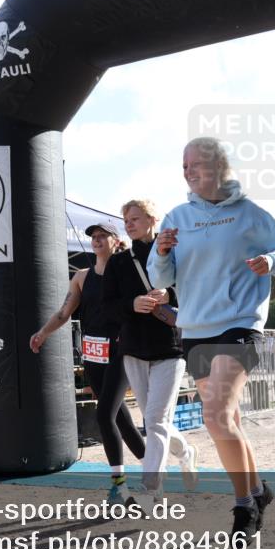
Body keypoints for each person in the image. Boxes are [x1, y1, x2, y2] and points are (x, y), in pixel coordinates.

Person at [149, 136, 275, 541]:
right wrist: (162, 253)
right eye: (183, 166)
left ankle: (243, 506)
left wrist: (271, 260)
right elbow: (160, 279)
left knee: (216, 416)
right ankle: (258, 490)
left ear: (219, 167)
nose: (188, 171)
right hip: (195, 329)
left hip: (239, 323)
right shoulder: (176, 217)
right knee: (227, 420)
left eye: (195, 164)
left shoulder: (250, 213)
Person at [30, 221, 146, 505]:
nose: (96, 240)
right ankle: (156, 470)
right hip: (93, 355)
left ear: (115, 241)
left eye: (102, 236)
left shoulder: (125, 272)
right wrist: (42, 333)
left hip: (121, 351)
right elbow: (63, 312)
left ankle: (119, 488)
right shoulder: (81, 276)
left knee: (104, 414)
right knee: (122, 421)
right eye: (93, 236)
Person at [102, 199, 199, 505]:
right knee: (157, 420)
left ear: (152, 219)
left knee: (155, 420)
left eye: (134, 218)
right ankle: (186, 452)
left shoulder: (174, 253)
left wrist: (169, 293)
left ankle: (152, 491)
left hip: (170, 349)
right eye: (126, 219)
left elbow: (195, 289)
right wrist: (132, 305)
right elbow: (106, 307)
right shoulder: (118, 262)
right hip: (132, 350)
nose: (129, 223)